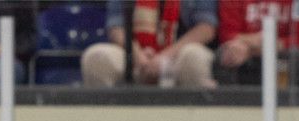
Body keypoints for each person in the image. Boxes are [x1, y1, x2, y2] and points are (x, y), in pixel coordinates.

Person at [83, 0, 218, 88]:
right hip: (135, 56)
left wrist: (164, 58)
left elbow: (206, 28)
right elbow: (116, 27)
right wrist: (138, 56)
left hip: (178, 55)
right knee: (96, 57)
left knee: (194, 56)